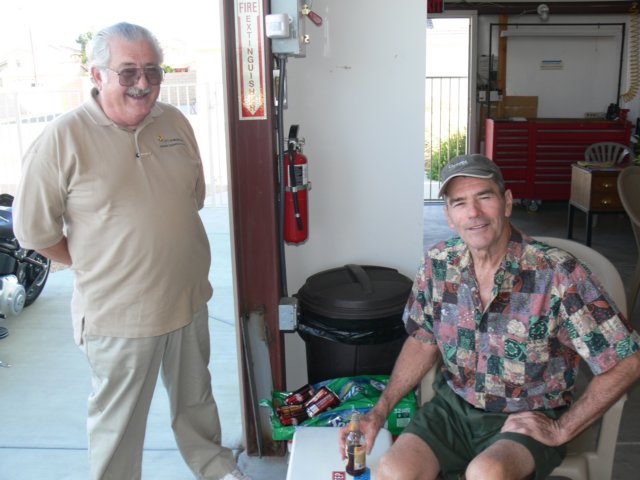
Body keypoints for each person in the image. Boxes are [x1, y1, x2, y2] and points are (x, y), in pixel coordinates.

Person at [13, 22, 250, 480]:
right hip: (118, 316)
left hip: (186, 301)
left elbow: (192, 198)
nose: (142, 83)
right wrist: (96, 260)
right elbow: (34, 232)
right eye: (128, 72)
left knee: (197, 402)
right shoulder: (62, 138)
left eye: (152, 70)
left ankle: (216, 468)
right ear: (97, 74)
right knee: (118, 424)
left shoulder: (174, 122)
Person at [340, 154, 640, 480]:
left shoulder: (557, 272)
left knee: (487, 473)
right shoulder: (438, 263)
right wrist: (379, 411)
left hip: (527, 415)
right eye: (459, 203)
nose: (473, 213)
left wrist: (561, 429)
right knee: (393, 470)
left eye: (484, 197)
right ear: (449, 215)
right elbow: (423, 341)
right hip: (454, 408)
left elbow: (627, 360)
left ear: (507, 202)